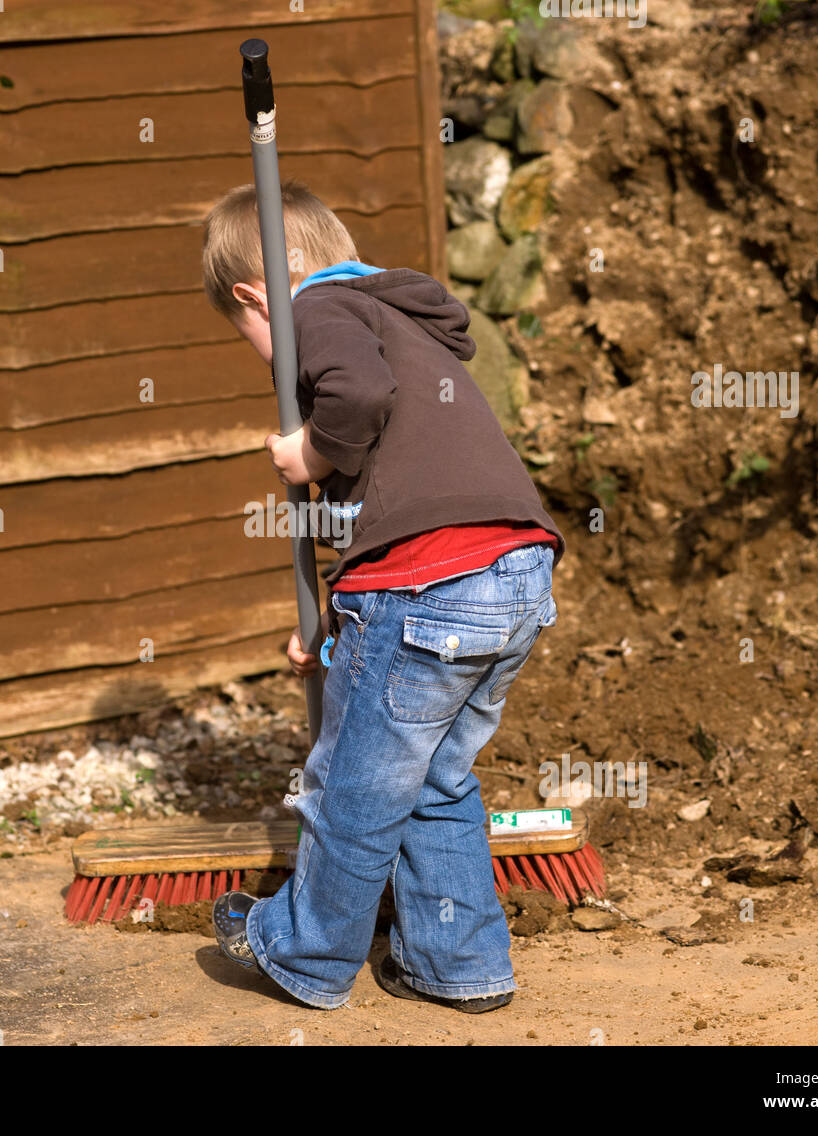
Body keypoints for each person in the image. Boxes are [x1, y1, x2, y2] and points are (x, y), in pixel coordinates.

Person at [199, 179, 564, 1012]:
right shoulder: (402, 323)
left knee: (350, 785)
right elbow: (387, 515)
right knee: (436, 779)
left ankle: (304, 952)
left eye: (250, 332)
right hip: (513, 572)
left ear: (260, 297)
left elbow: (355, 402)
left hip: (428, 587)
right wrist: (335, 623)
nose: (263, 351)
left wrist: (311, 456)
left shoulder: (321, 312)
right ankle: (458, 964)